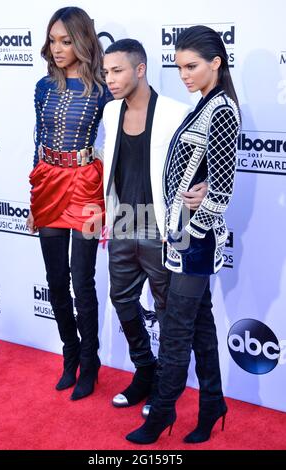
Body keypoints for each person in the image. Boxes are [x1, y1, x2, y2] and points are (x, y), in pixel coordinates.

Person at [126, 25, 241, 444]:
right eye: (179, 67)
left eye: (192, 66)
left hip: (196, 241)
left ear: (217, 62)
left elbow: (222, 192)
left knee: (175, 330)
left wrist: (190, 228)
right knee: (201, 327)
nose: (185, 75)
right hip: (183, 239)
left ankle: (161, 414)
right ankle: (212, 403)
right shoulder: (206, 104)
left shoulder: (223, 109)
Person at [102, 39, 207, 415]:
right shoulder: (110, 112)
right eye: (106, 72)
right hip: (123, 224)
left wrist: (206, 187)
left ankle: (165, 386)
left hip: (163, 228)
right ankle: (145, 369)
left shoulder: (177, 112)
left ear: (140, 69)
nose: (110, 79)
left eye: (117, 71)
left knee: (167, 310)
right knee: (122, 300)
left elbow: (201, 164)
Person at [26, 7, 111, 401]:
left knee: (83, 280)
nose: (57, 49)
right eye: (53, 41)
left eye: (65, 41)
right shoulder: (44, 87)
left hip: (86, 187)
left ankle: (90, 363)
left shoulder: (102, 88)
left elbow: (126, 137)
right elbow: (36, 140)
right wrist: (34, 200)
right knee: (56, 280)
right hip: (48, 183)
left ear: (82, 41)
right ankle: (70, 354)